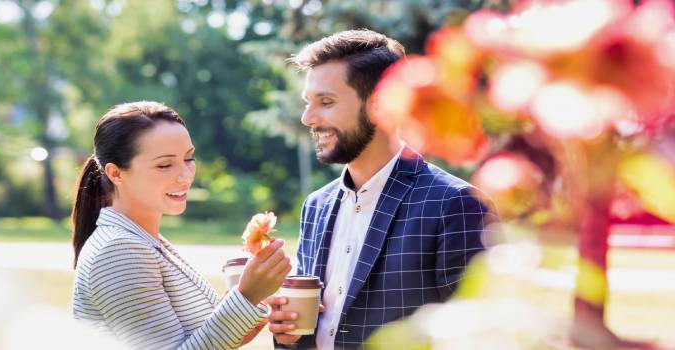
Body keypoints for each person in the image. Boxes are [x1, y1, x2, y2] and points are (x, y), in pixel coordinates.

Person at [265, 30, 497, 349]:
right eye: (308, 102)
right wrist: (287, 334)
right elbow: (310, 330)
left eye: (326, 102)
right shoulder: (316, 206)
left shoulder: (455, 203)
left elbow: (478, 336)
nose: (308, 118)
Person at [70, 101, 291, 349]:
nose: (186, 175)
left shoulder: (145, 241)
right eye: (164, 165)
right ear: (116, 173)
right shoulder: (118, 251)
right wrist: (246, 296)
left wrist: (249, 304)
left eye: (189, 158)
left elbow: (194, 340)